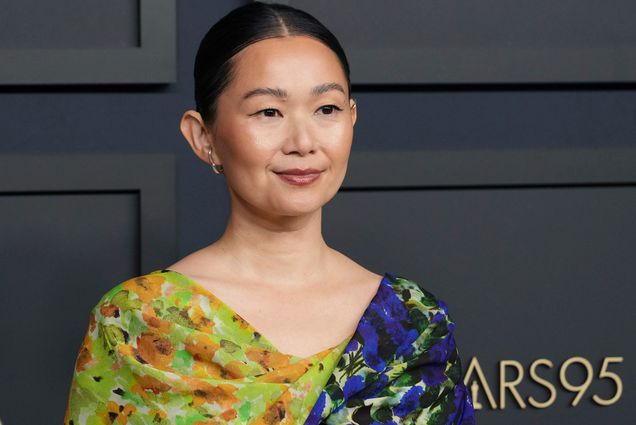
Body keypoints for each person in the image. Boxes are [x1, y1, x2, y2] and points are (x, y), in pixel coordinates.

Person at [64, 2, 475, 424]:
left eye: (327, 109)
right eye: (268, 112)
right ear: (203, 136)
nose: (303, 141)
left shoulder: (413, 322)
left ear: (352, 120)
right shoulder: (138, 320)